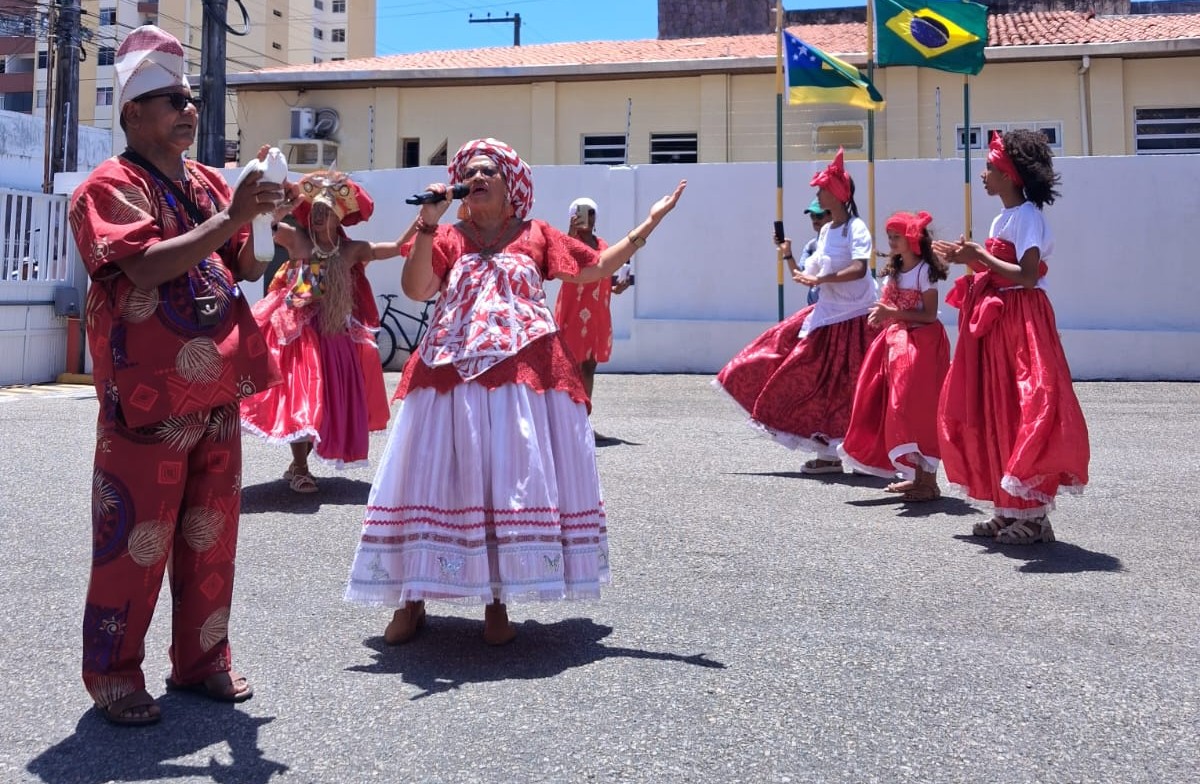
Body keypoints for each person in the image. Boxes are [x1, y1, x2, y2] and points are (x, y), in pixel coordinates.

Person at [344, 138, 686, 645]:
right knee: (429, 479)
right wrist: (428, 224)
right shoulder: (447, 235)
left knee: (502, 482)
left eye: (488, 171)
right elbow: (417, 289)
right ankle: (411, 601)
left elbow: (593, 267)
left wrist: (649, 224)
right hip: (449, 372)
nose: (477, 177)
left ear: (512, 186)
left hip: (521, 376)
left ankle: (496, 600)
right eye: (470, 173)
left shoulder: (536, 234)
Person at [68, 25, 287, 725]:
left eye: (192, 99)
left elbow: (244, 265)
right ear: (133, 112)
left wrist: (262, 225)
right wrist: (231, 218)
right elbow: (143, 268)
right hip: (146, 398)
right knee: (134, 542)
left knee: (210, 538)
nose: (189, 109)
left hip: (217, 387)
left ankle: (201, 661)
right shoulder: (107, 186)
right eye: (172, 100)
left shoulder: (207, 182)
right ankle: (113, 675)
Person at [932, 130, 1090, 544]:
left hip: (1022, 318)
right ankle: (1008, 509)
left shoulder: (1028, 217)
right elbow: (999, 268)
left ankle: (1035, 517)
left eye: (990, 167)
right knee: (997, 406)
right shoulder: (1003, 218)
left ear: (1010, 174)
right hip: (1000, 320)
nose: (984, 174)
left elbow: (1028, 275)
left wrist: (979, 256)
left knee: (1025, 405)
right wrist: (966, 258)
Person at [241, 171, 417, 491]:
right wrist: (279, 210)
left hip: (334, 333)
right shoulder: (298, 240)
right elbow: (264, 228)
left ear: (338, 218)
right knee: (305, 398)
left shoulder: (351, 250)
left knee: (323, 400)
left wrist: (423, 223)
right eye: (315, 211)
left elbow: (395, 247)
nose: (319, 217)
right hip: (299, 332)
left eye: (326, 212)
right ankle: (300, 467)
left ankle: (298, 463)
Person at [715, 148, 879, 473]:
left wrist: (822, 279)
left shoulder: (856, 228)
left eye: (821, 190)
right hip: (827, 317)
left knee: (852, 389)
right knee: (790, 363)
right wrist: (788, 255)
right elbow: (806, 276)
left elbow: (860, 269)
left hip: (857, 321)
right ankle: (828, 454)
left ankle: (857, 453)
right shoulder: (826, 232)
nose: (817, 196)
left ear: (836, 194)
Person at [838, 211, 951, 502]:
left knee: (919, 408)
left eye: (896, 236)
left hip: (923, 345)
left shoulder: (924, 271)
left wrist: (891, 312)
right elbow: (890, 308)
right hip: (898, 344)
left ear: (912, 239)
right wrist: (883, 315)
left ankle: (929, 482)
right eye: (889, 236)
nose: (890, 241)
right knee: (896, 406)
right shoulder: (895, 270)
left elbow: (928, 316)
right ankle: (915, 476)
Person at [552, 197, 632, 442]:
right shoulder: (567, 242)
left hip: (596, 312)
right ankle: (564, 422)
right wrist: (570, 234)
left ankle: (583, 421)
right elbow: (558, 261)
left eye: (592, 212)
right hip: (573, 311)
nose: (588, 217)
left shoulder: (602, 244)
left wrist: (617, 287)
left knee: (589, 366)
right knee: (569, 367)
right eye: (581, 212)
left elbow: (604, 273)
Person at [788, 198, 833, 306]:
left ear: (832, 215)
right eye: (812, 216)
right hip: (814, 305)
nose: (815, 220)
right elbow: (800, 274)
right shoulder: (811, 245)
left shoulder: (841, 242)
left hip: (835, 306)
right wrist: (787, 253)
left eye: (819, 215)